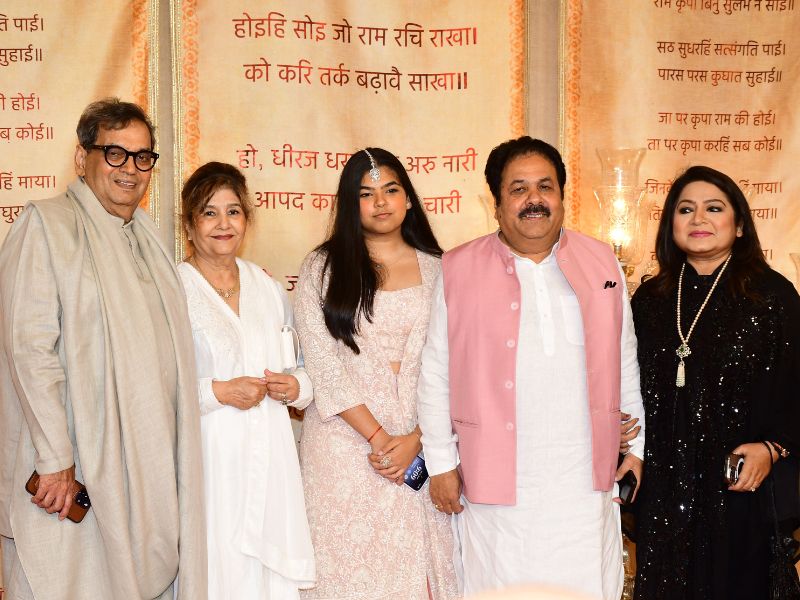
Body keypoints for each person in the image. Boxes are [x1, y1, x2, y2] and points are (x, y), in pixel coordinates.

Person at [416, 136, 645, 599]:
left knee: (584, 585)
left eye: (545, 186)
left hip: (583, 477)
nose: (533, 199)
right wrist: (440, 462)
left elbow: (625, 357)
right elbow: (436, 371)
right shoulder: (458, 268)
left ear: (561, 196)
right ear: (496, 204)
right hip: (495, 480)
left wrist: (635, 448)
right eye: (518, 189)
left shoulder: (602, 261)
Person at [0, 98, 206, 599]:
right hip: (74, 465)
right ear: (82, 157)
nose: (130, 169)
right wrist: (55, 457)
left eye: (142, 157)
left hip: (144, 469)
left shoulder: (148, 237)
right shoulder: (47, 225)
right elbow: (29, 348)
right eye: (115, 153)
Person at [294, 148, 459, 599]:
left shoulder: (442, 269)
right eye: (366, 194)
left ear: (408, 198)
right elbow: (323, 364)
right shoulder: (322, 268)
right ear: (351, 203)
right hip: (345, 447)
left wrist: (418, 439)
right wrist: (381, 439)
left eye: (391, 190)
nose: (381, 202)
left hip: (420, 447)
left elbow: (458, 364)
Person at [631, 165, 800, 600]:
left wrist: (773, 448)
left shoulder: (772, 297)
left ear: (739, 225)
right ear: (671, 225)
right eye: (685, 209)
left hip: (740, 489)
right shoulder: (649, 300)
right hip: (664, 490)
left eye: (714, 208)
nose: (699, 219)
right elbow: (624, 383)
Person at [178, 162, 315, 598]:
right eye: (209, 212)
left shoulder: (266, 287)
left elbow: (303, 366)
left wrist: (297, 387)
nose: (223, 224)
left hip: (271, 460)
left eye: (233, 211)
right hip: (211, 463)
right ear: (188, 225)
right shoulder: (173, 289)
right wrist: (217, 392)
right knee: (219, 569)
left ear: (247, 219)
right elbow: (153, 385)